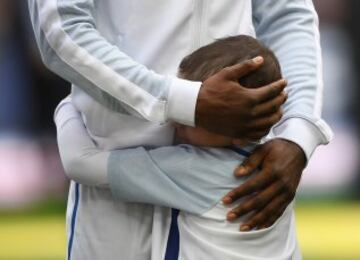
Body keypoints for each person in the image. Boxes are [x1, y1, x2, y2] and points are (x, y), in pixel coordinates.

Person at [28, 0, 333, 259]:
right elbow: (59, 27)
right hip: (116, 181)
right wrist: (185, 103)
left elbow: (286, 15)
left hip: (246, 164)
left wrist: (297, 135)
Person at [55, 35, 302, 259]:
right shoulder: (279, 167)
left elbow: (80, 163)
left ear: (243, 123)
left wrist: (68, 105)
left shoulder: (193, 169)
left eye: (204, 109)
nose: (176, 117)